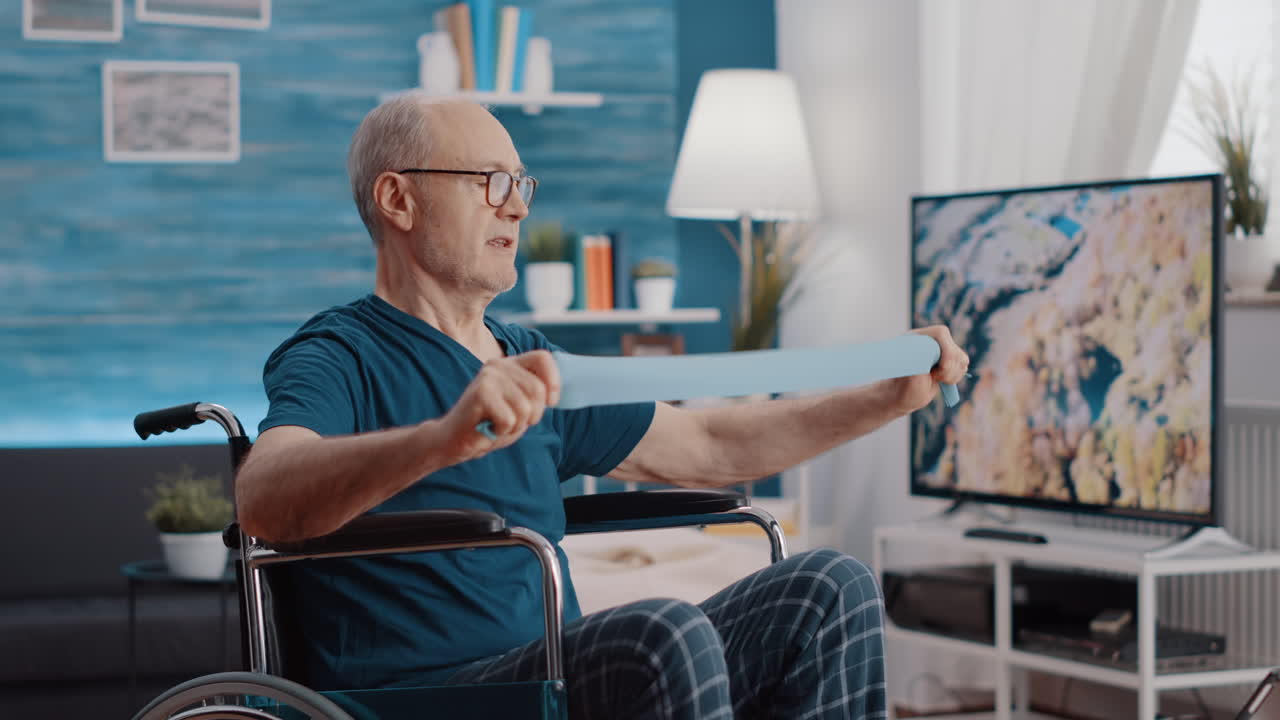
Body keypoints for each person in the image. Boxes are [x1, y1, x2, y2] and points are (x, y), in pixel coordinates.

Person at [237, 93, 969, 720]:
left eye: (522, 183)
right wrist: (442, 439)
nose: (517, 206)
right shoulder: (339, 352)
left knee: (829, 586)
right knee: (664, 632)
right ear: (398, 199)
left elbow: (711, 442)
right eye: (490, 181)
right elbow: (266, 499)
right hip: (423, 694)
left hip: (552, 673)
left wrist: (883, 400)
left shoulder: (528, 358)